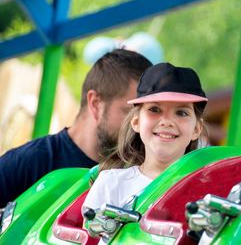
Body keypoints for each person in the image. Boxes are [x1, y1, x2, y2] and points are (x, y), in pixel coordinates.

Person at [0, 49, 152, 207]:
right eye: (130, 113)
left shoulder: (141, 173)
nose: (139, 124)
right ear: (95, 103)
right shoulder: (28, 164)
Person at [82, 62, 207, 215]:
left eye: (181, 113)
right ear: (136, 122)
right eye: (154, 109)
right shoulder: (112, 184)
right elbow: (91, 236)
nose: (166, 121)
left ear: (196, 129)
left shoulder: (207, 191)